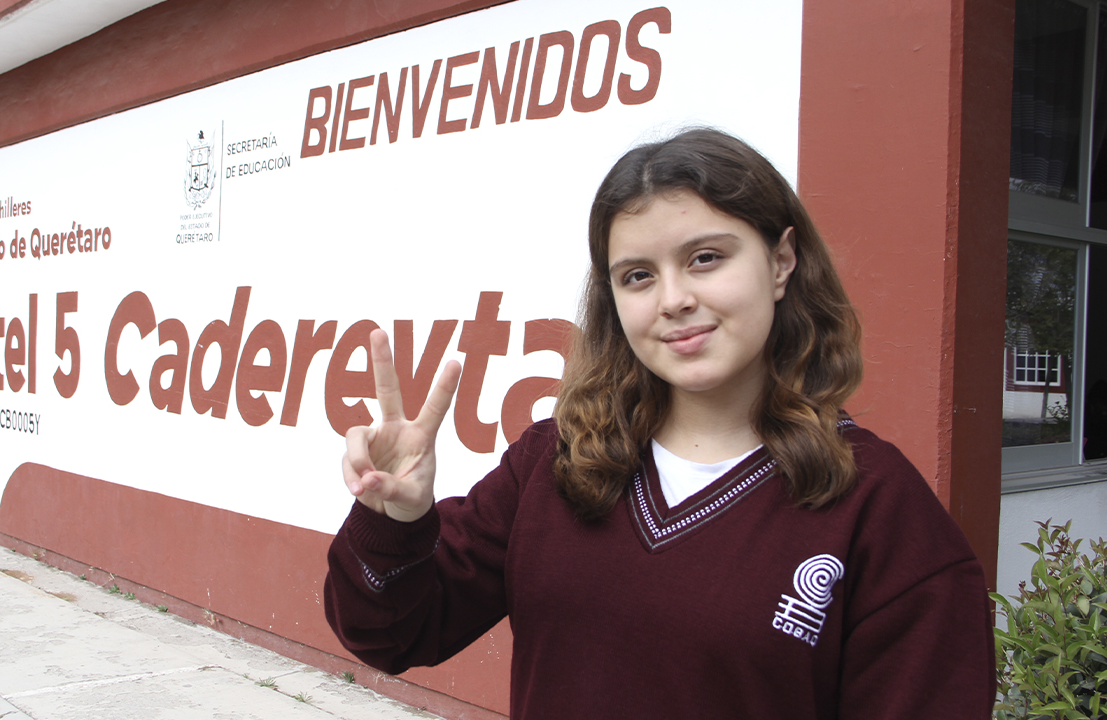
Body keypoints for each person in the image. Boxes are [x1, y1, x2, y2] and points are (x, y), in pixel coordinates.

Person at [324, 128, 995, 718]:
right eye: (638, 276)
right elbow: (391, 634)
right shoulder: (558, 461)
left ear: (782, 261)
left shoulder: (881, 512)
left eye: (706, 258)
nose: (674, 300)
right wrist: (396, 523)